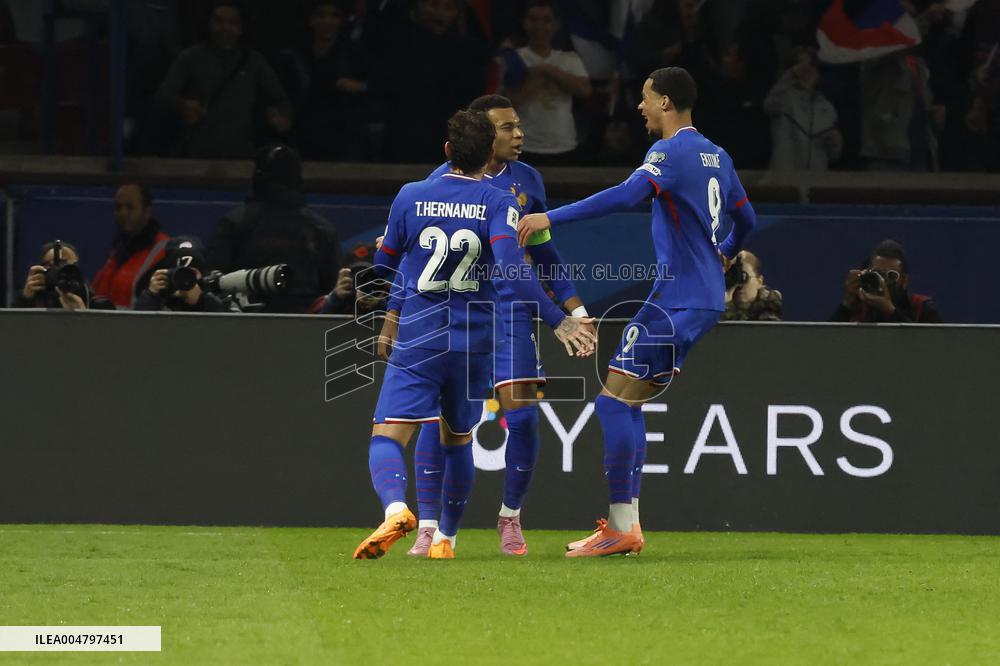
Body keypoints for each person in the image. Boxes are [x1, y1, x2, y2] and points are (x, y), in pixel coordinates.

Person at [518, 67, 757, 557]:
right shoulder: (719, 155)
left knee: (612, 404)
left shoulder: (668, 152)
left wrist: (550, 217)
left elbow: (626, 196)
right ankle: (625, 526)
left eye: (646, 99)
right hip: (688, 296)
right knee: (621, 402)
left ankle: (624, 527)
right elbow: (746, 217)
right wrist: (725, 252)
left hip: (680, 299)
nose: (640, 108)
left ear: (666, 102)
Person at [353, 110, 595, 561]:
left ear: (448, 150)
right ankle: (441, 535)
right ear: (488, 152)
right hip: (475, 339)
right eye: (508, 128)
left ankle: (401, 510)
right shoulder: (496, 201)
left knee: (389, 436)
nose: (519, 134)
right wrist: (558, 318)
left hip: (425, 335)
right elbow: (511, 267)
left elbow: (387, 265)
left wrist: (369, 294)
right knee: (458, 436)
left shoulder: (412, 195)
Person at [206, 143, 341, 313]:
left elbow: (213, 283)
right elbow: (332, 291)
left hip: (243, 327)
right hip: (306, 329)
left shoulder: (235, 223)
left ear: (259, 176)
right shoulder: (321, 229)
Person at [156, 0, 292, 158]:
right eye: (218, 21)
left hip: (240, 155)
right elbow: (163, 96)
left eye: (233, 22)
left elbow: (281, 101)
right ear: (208, 23)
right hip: (196, 154)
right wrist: (183, 105)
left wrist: (282, 119)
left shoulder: (253, 62)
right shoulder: (191, 57)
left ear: (242, 28)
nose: (225, 28)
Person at [278, 0, 371, 161]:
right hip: (302, 135)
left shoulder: (355, 55)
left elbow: (379, 86)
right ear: (310, 20)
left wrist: (360, 87)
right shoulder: (292, 57)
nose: (327, 22)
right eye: (320, 15)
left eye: (334, 16)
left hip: (344, 137)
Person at [507, 0, 591, 165]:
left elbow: (585, 90)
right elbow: (508, 103)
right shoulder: (514, 58)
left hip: (564, 145)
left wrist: (546, 69)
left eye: (546, 20)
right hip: (524, 146)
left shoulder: (570, 59)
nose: (539, 26)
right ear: (524, 23)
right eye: (533, 20)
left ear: (556, 25)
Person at [92, 183, 171, 309]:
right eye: (118, 207)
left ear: (147, 211)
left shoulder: (165, 251)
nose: (123, 213)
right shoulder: (118, 251)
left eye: (130, 207)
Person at [764, 47, 842, 171]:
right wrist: (793, 73)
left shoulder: (826, 106)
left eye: (812, 65)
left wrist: (835, 143)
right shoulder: (783, 98)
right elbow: (768, 105)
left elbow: (833, 155)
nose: (808, 69)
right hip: (785, 178)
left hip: (816, 180)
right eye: (802, 64)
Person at [830, 239, 942, 323]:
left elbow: (928, 348)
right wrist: (847, 305)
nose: (883, 281)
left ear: (905, 282)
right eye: (877, 274)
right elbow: (825, 346)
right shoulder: (857, 308)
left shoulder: (923, 309)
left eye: (892, 276)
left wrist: (889, 310)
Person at [133, 237, 231, 312]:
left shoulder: (216, 295)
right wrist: (151, 296)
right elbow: (138, 330)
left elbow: (231, 330)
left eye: (191, 273)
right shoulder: (161, 297)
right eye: (180, 273)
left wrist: (203, 301)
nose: (185, 280)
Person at [14, 241, 111, 310]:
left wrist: (83, 315)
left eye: (65, 265)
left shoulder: (95, 304)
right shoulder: (32, 299)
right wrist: (25, 300)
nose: (58, 271)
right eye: (50, 266)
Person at [317, 242, 386, 315]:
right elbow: (317, 324)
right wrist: (336, 298)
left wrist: (379, 303)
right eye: (355, 274)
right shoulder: (335, 298)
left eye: (367, 275)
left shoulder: (392, 296)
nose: (361, 280)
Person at [721, 250, 783, 321]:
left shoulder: (769, 307)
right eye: (734, 278)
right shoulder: (720, 303)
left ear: (759, 282)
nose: (739, 285)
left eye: (743, 277)